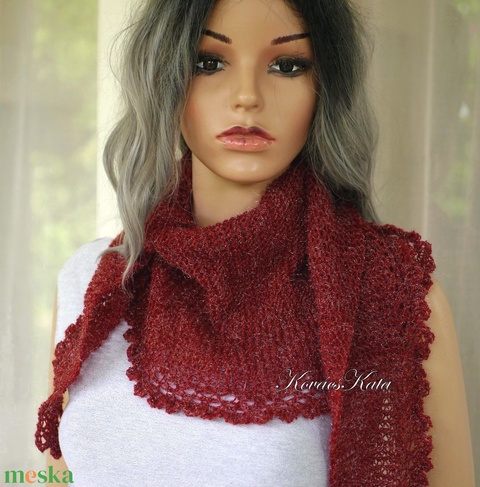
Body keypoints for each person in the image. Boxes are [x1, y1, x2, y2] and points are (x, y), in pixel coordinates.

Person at [35, 0, 475, 486]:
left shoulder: (397, 299)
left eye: (287, 66)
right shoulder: (89, 284)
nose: (247, 96)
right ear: (164, 79)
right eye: (208, 62)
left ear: (325, 87)